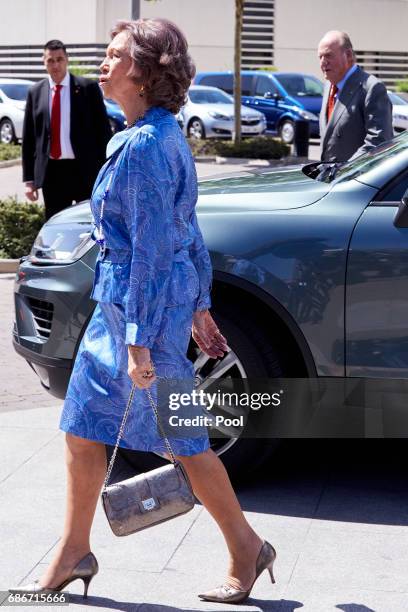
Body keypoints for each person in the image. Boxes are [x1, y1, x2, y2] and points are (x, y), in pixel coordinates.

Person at [10, 18, 277, 605]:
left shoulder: (148, 148)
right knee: (80, 431)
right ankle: (74, 550)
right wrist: (202, 305)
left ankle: (245, 547)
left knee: (184, 440)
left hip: (141, 317)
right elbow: (189, 232)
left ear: (144, 71)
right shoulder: (146, 135)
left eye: (113, 56)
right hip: (127, 309)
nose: (102, 64)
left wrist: (138, 342)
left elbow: (158, 252)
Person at [22, 39, 111, 220]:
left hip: (84, 170)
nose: (56, 65)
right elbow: (29, 138)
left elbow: (103, 132)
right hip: (52, 173)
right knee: (56, 225)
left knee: (88, 224)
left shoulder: (88, 88)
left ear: (67, 59)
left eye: (59, 59)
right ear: (44, 62)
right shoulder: (35, 92)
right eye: (50, 60)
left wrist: (107, 172)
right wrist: (29, 181)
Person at [318, 30, 393, 162]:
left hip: (354, 179)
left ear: (348, 55)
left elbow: (379, 143)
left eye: (328, 55)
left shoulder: (372, 88)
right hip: (328, 178)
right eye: (320, 57)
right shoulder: (328, 86)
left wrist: (345, 171)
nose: (323, 62)